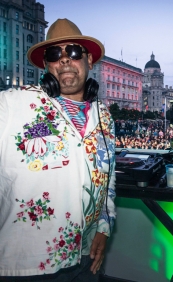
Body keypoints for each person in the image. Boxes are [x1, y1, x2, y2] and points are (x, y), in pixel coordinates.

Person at [0, 19, 116, 280]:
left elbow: (109, 180)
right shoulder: (12, 105)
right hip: (26, 265)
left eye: (73, 52)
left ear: (89, 61)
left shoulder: (105, 116)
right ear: (46, 64)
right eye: (55, 54)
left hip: (85, 259)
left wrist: (104, 228)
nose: (64, 59)